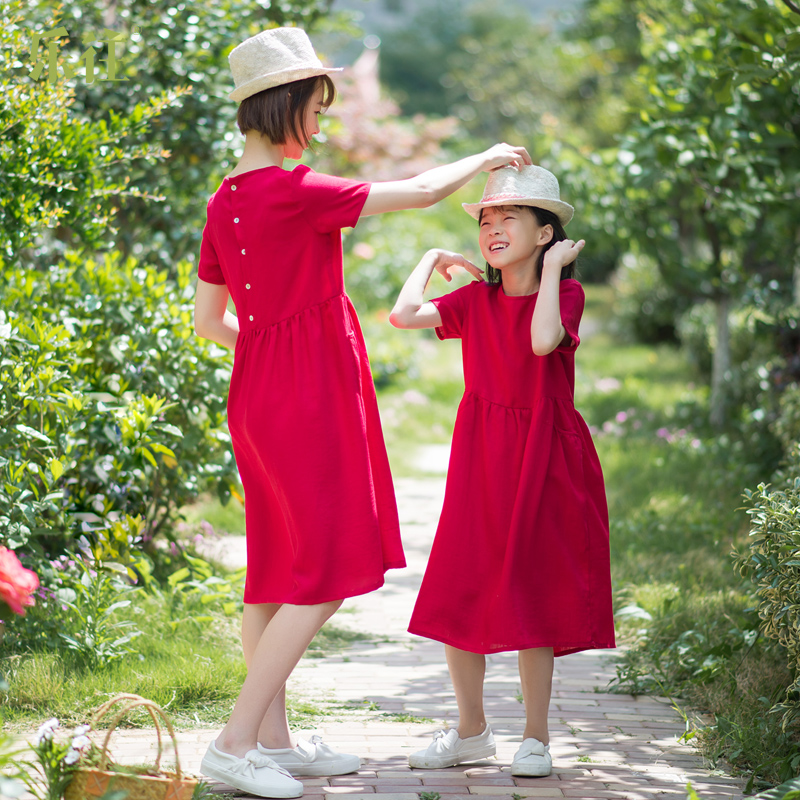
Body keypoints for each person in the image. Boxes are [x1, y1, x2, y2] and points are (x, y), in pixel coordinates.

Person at [193, 26, 532, 799]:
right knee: (322, 573)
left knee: (274, 572)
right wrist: (484, 160)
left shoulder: (228, 202)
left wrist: (273, 346)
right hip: (306, 393)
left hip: (256, 392)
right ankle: (235, 741)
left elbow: (209, 322)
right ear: (284, 105)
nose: (321, 120)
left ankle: (272, 741)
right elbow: (415, 193)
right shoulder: (294, 189)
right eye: (316, 104)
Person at [389, 164, 616, 777]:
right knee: (463, 583)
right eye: (486, 219)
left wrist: (548, 274)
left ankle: (536, 737)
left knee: (532, 587)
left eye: (509, 217)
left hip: (544, 452)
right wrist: (434, 254)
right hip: (481, 454)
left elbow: (543, 341)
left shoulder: (564, 294)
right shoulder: (475, 301)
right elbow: (403, 315)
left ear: (545, 234)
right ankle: (470, 732)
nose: (492, 228)